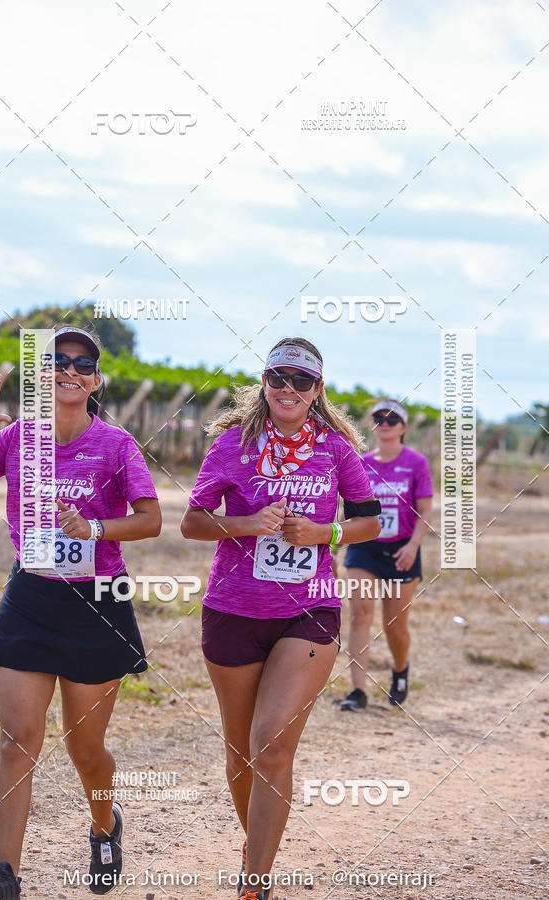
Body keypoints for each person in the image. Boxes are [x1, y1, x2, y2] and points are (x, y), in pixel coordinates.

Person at [0, 326, 161, 899]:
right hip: (30, 596)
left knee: (84, 749)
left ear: (96, 380)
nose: (68, 369)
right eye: (56, 361)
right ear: (43, 376)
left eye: (81, 363)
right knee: (16, 740)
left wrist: (94, 527)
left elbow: (150, 520)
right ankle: (5, 877)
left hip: (98, 603)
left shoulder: (117, 445)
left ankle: (104, 825)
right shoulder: (18, 436)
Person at [180, 337, 381, 900]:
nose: (287, 388)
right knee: (241, 751)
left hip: (310, 610)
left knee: (271, 744)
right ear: (264, 384)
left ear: (318, 390)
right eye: (277, 377)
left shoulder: (336, 450)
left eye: (300, 379)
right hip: (232, 609)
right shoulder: (231, 446)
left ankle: (255, 883)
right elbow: (193, 524)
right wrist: (244, 524)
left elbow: (370, 522)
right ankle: (257, 844)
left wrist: (325, 533)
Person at [340, 399, 433, 712]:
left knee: (394, 625)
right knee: (359, 614)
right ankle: (357, 691)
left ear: (404, 427)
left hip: (401, 550)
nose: (385, 422)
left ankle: (400, 669)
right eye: (379, 417)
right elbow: (352, 507)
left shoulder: (416, 463)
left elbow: (426, 511)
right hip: (365, 547)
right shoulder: (362, 463)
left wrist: (412, 546)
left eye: (393, 418)